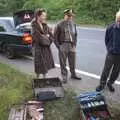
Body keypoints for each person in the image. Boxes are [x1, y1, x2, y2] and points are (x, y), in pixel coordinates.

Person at [54, 9, 81, 83]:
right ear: (65, 15)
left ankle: (73, 74)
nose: (69, 17)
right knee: (63, 63)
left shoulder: (73, 24)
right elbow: (55, 36)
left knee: (73, 61)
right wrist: (59, 46)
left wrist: (74, 44)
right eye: (68, 16)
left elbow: (75, 35)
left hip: (71, 45)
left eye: (71, 16)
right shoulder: (59, 24)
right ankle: (64, 76)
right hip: (63, 44)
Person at [96, 10, 120, 92]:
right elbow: (106, 39)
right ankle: (102, 84)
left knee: (116, 71)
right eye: (118, 19)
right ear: (116, 18)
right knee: (106, 69)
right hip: (111, 53)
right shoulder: (111, 27)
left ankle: (110, 83)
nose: (118, 21)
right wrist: (109, 49)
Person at [31, 8, 55, 78]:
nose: (45, 17)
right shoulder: (33, 26)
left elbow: (51, 37)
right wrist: (46, 37)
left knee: (45, 66)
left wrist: (46, 37)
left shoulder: (45, 25)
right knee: (38, 66)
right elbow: (39, 39)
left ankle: (44, 80)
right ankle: (37, 80)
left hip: (46, 48)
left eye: (45, 15)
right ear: (38, 16)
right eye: (43, 16)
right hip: (38, 49)